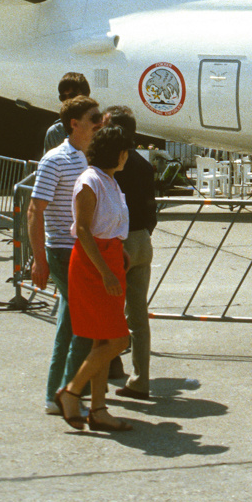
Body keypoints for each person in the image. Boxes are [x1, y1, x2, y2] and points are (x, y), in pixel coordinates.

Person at [53, 126, 135, 432]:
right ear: (116, 152)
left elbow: (108, 223)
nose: (127, 155)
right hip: (93, 264)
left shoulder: (109, 180)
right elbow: (84, 229)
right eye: (125, 150)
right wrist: (105, 271)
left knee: (103, 338)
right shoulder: (89, 180)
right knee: (118, 338)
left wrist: (119, 249)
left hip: (109, 256)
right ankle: (72, 391)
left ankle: (99, 408)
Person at [29, 96, 102, 414]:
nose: (100, 122)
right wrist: (39, 259)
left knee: (68, 324)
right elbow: (35, 210)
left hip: (82, 251)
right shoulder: (55, 159)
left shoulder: (90, 158)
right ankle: (68, 393)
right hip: (63, 250)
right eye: (94, 117)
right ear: (75, 123)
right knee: (81, 327)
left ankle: (55, 394)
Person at [102, 105, 156, 400]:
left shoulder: (110, 167)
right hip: (141, 240)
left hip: (118, 242)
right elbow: (151, 209)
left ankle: (109, 364)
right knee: (138, 316)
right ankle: (141, 378)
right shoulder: (144, 165)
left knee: (108, 309)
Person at [42, 73, 90, 156]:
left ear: (86, 96)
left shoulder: (96, 129)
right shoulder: (55, 133)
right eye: (63, 97)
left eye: (72, 96)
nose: (67, 101)